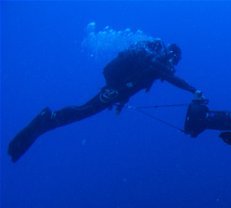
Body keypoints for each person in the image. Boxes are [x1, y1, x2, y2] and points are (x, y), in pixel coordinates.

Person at [8, 39, 201, 162]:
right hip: (113, 88)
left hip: (116, 90)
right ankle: (48, 118)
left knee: (85, 110)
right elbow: (170, 78)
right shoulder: (156, 61)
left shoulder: (153, 66)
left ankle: (48, 121)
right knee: (84, 110)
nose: (171, 66)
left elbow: (133, 86)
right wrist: (193, 90)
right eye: (173, 62)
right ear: (172, 55)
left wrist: (121, 103)